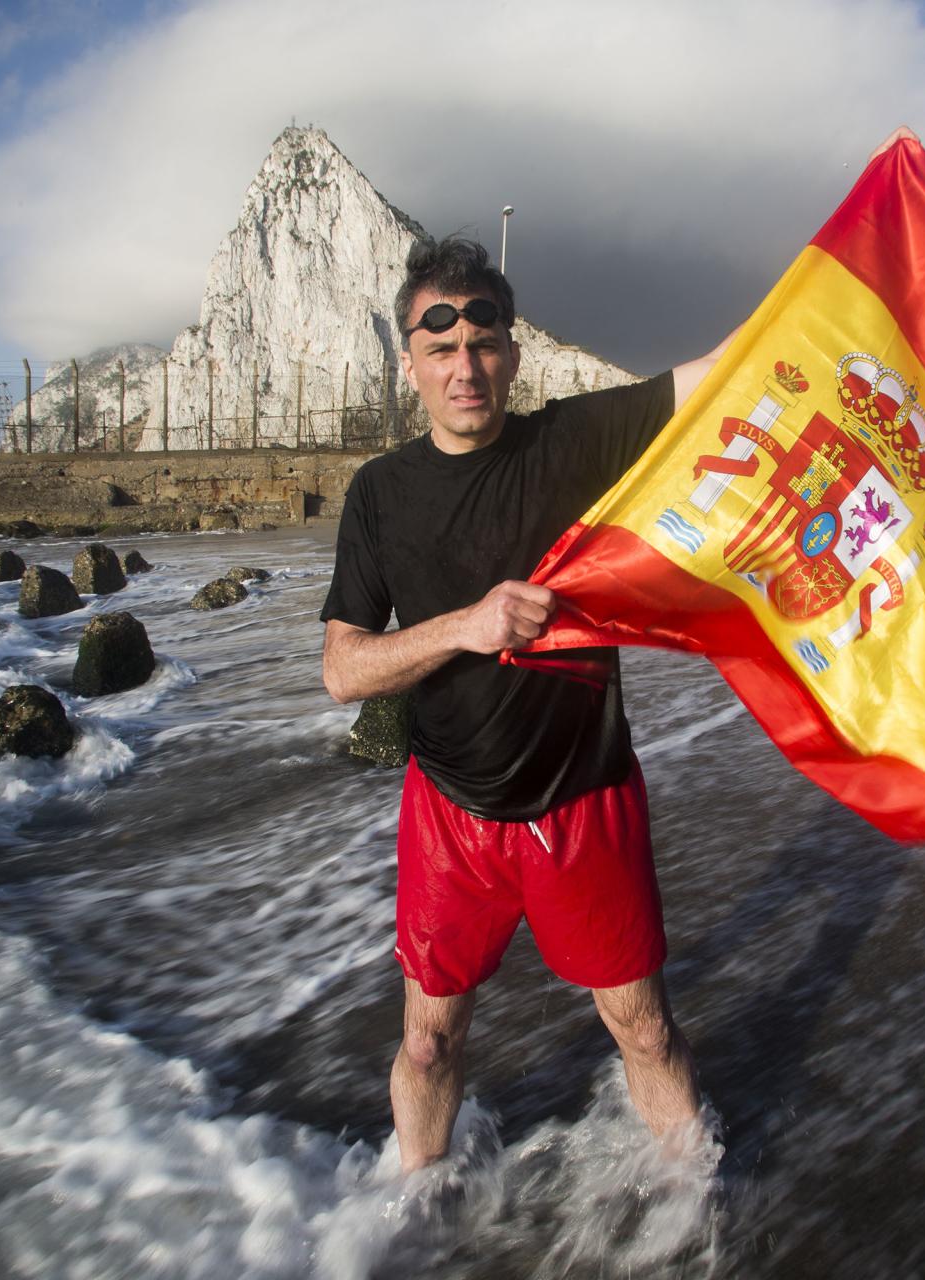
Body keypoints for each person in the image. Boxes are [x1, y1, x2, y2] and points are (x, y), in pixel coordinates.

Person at [320, 234, 730, 1172]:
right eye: (440, 349)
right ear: (408, 364)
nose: (464, 369)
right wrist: (465, 626)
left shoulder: (571, 443)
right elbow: (344, 670)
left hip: (584, 799)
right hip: (450, 813)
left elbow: (719, 375)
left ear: (512, 352)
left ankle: (695, 1206)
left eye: (483, 345)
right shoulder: (380, 495)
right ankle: (415, 1205)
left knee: (645, 1029)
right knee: (430, 1041)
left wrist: (863, 261)